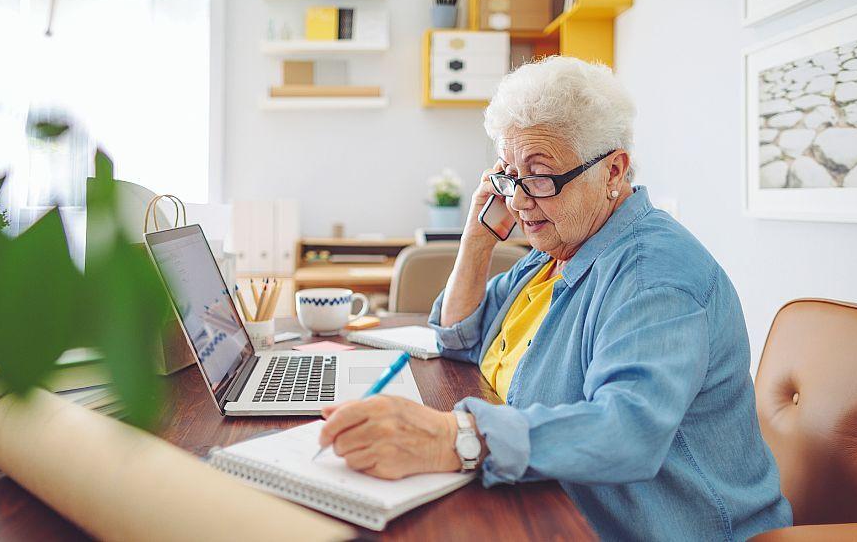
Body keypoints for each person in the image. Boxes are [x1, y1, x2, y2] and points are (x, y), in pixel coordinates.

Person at [318, 56, 792, 540]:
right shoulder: (556, 251)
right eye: (509, 174)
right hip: (549, 502)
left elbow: (628, 430)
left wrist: (451, 438)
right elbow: (458, 335)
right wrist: (477, 240)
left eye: (540, 175)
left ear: (613, 171)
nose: (519, 200)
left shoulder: (655, 277)